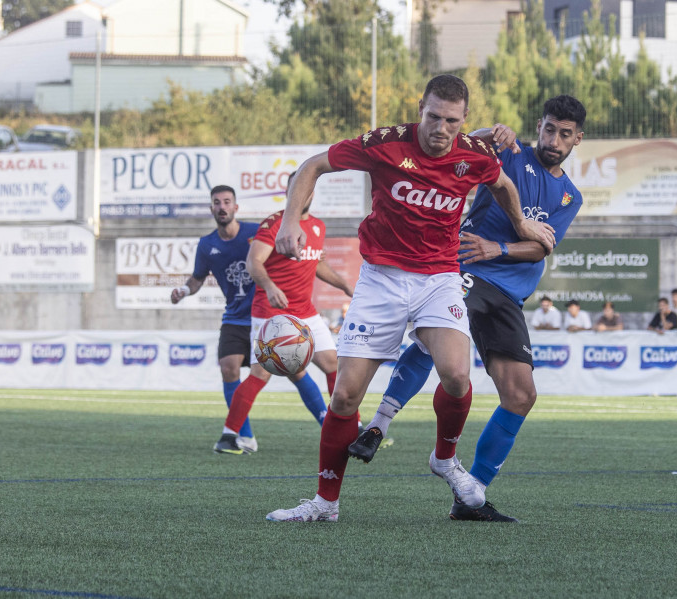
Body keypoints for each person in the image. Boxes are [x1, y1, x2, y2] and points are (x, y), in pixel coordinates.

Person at [266, 75, 556, 523]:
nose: (441, 129)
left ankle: (444, 459)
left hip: (439, 277)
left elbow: (501, 184)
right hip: (381, 278)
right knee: (344, 397)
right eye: (434, 117)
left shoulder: (473, 154)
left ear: (464, 121)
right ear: (420, 107)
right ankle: (325, 504)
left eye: (452, 121)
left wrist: (520, 224)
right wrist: (290, 221)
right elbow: (312, 166)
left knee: (457, 375)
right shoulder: (384, 143)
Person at [346, 94, 586, 522]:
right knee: (434, 340)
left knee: (520, 394)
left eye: (565, 134)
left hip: (510, 294)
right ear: (539, 126)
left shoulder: (570, 196)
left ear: (577, 140)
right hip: (465, 269)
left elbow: (540, 248)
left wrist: (501, 246)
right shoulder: (511, 153)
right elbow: (451, 147)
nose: (554, 139)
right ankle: (380, 423)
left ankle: (470, 491)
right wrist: (485, 134)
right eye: (549, 129)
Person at [213, 187, 353, 454]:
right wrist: (269, 287)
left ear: (311, 194)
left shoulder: (317, 226)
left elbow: (317, 264)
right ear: (290, 194)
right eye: (296, 189)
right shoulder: (275, 223)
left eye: (306, 189)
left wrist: (345, 286)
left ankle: (349, 429)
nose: (301, 194)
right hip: (271, 310)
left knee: (333, 364)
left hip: (305, 313)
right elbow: (254, 261)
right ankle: (229, 436)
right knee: (261, 373)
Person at [171, 185, 261, 451]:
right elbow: (198, 278)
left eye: (227, 202)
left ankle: (342, 427)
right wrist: (184, 290)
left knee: (298, 373)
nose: (222, 207)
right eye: (217, 203)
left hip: (263, 317)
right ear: (211, 209)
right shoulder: (207, 244)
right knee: (228, 368)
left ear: (236, 207)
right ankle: (244, 437)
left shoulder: (255, 233)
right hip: (234, 317)